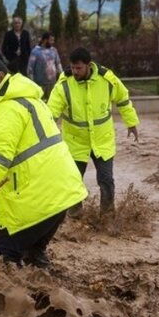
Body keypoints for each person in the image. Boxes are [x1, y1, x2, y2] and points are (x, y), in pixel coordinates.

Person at [0, 56, 87, 268]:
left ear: (0, 77)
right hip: (62, 196)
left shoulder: (7, 108)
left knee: (0, 265)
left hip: (38, 202)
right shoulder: (30, 98)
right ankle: (47, 295)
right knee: (32, 256)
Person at [47, 47, 140, 214]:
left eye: (79, 68)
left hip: (102, 140)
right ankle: (75, 215)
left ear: (88, 65)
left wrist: (131, 123)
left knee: (106, 180)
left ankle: (107, 214)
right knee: (73, 180)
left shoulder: (107, 79)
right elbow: (51, 112)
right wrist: (45, 134)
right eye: (73, 68)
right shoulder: (64, 85)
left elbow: (123, 99)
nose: (74, 71)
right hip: (75, 142)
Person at [27, 32, 62, 102]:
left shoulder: (54, 50)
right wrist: (32, 83)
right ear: (45, 40)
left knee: (52, 102)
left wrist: (62, 76)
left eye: (53, 40)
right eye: (51, 40)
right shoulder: (35, 52)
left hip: (52, 83)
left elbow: (58, 64)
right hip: (40, 84)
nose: (53, 42)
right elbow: (30, 69)